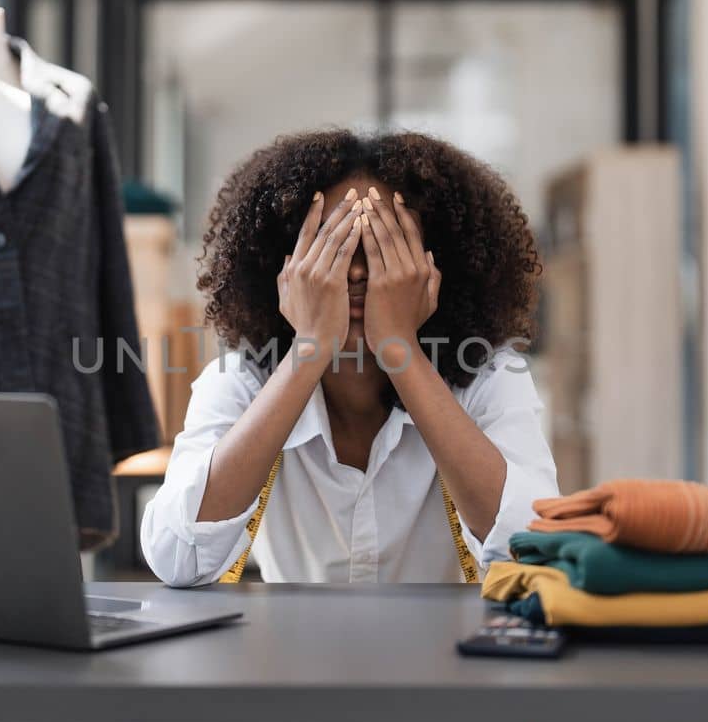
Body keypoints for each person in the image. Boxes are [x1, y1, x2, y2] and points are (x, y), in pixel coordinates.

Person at [140, 130, 556, 586]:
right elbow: (177, 559)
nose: (356, 271)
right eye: (330, 245)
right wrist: (310, 347)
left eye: (384, 246)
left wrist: (400, 348)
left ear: (436, 264)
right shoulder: (242, 381)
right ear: (285, 265)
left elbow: (533, 553)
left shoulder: (489, 376)